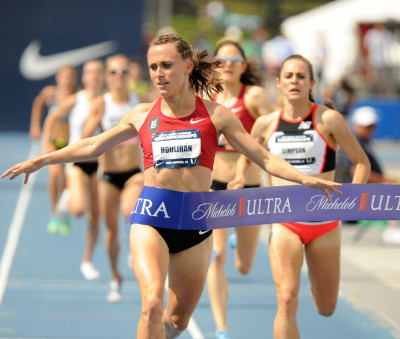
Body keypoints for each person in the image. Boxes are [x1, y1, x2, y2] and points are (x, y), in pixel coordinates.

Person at [2, 35, 343, 339]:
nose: (159, 73)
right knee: (151, 304)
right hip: (152, 216)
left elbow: (264, 157)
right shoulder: (141, 114)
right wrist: (44, 159)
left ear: (188, 66)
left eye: (166, 65)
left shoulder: (217, 115)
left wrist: (303, 178)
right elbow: (93, 146)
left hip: (196, 223)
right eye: (153, 67)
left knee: (177, 320)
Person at [228, 54, 370, 339]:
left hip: (324, 225)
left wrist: (354, 196)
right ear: (278, 83)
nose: (294, 81)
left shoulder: (328, 118)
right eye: (289, 76)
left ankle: (317, 285)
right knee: (286, 299)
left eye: (301, 76)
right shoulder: (266, 124)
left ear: (311, 83)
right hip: (284, 223)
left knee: (326, 307)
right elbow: (248, 154)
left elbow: (362, 163)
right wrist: (241, 175)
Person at [207, 39, 275, 339]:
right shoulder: (205, 96)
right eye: (222, 58)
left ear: (244, 65)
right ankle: (221, 327)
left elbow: (276, 133)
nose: (229, 63)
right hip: (214, 187)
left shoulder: (255, 96)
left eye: (235, 59)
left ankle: (239, 243)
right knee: (216, 255)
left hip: (248, 190)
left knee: (245, 266)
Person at [81, 54, 143, 303]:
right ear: (107, 77)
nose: (119, 76)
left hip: (132, 174)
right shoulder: (101, 103)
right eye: (114, 72)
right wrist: (96, 122)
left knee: (130, 210)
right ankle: (115, 277)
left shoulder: (139, 102)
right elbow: (85, 139)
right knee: (111, 233)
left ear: (130, 75)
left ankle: (134, 250)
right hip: (106, 176)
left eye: (124, 71)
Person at [41, 60, 105, 279]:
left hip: (101, 165)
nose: (94, 76)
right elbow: (51, 116)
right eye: (90, 72)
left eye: (98, 72)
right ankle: (66, 200)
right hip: (78, 162)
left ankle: (87, 260)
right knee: (79, 209)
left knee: (95, 218)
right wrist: (46, 145)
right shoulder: (75, 100)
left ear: (103, 76)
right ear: (84, 77)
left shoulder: (109, 100)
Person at [336, 106, 400, 243]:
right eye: (367, 126)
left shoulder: (365, 143)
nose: (370, 130)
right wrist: (384, 181)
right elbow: (355, 170)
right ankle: (393, 229)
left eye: (372, 126)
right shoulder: (353, 143)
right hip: (358, 192)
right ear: (356, 125)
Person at [29, 65, 77, 233]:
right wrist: (35, 124)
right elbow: (38, 102)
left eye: (70, 75)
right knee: (55, 175)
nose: (67, 79)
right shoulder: (51, 92)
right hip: (52, 141)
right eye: (64, 75)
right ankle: (53, 212)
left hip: (70, 142)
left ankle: (62, 210)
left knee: (65, 180)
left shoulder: (77, 95)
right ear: (58, 77)